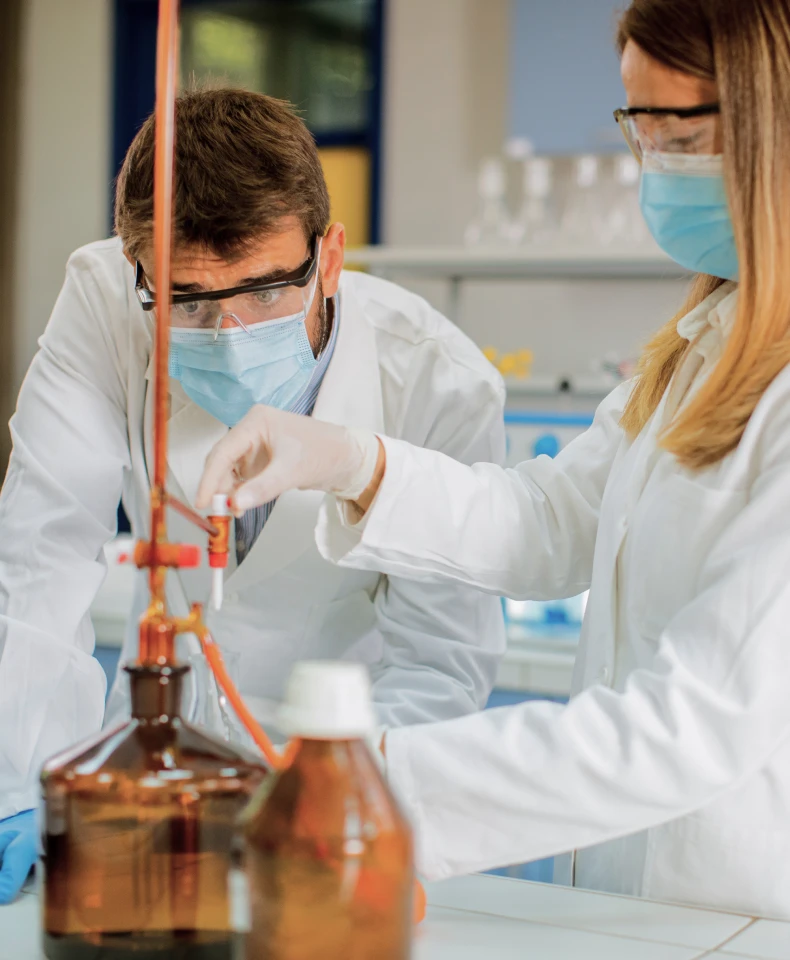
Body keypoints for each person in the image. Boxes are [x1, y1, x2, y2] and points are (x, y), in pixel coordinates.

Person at [196, 0, 790, 920]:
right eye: (638, 130)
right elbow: (549, 523)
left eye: (678, 135)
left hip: (749, 906)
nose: (651, 165)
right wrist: (352, 462)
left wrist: (377, 778)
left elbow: (696, 726)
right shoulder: (706, 344)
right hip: (643, 905)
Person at [0, 90, 507, 902]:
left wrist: (340, 818)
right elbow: (42, 547)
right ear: (140, 272)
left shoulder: (437, 382)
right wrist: (19, 780)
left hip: (335, 787)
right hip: (150, 789)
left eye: (266, 293)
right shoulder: (106, 296)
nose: (231, 338)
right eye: (190, 303)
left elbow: (439, 663)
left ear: (329, 257)